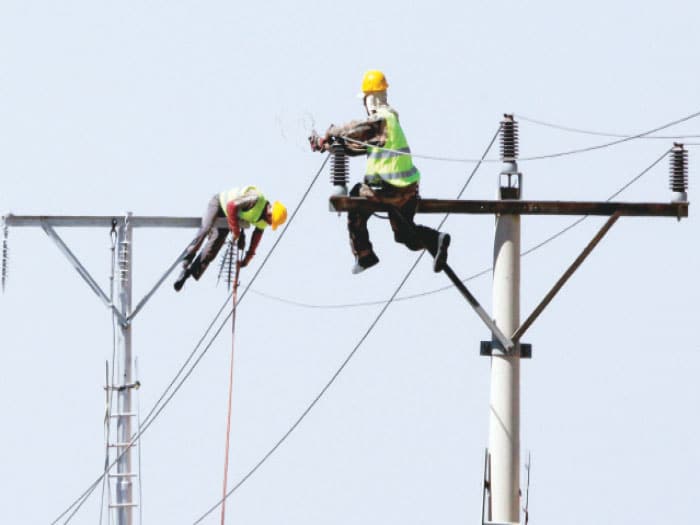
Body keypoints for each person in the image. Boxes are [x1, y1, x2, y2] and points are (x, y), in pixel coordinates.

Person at [309, 69, 450, 274]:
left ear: (370, 99)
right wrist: (329, 146)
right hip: (408, 192)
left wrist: (331, 132)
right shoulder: (389, 125)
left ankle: (364, 255)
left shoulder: (381, 120)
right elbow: (356, 146)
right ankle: (435, 239)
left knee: (356, 200)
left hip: (387, 189)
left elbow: (353, 131)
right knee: (405, 236)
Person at [174, 186, 287, 291]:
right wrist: (236, 230)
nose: (269, 223)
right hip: (219, 204)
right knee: (205, 229)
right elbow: (231, 206)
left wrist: (247, 259)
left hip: (229, 218)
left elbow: (255, 240)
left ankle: (188, 273)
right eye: (271, 221)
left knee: (212, 250)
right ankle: (187, 259)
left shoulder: (263, 221)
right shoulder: (254, 198)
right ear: (270, 212)